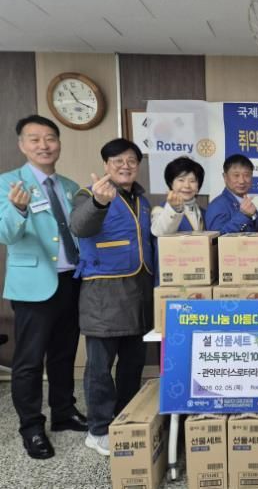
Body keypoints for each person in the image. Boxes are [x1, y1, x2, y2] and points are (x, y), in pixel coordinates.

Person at [0, 115, 87, 459]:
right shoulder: (9, 183)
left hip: (71, 281)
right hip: (34, 286)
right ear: (22, 145)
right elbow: (5, 235)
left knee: (64, 353)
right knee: (30, 360)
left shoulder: (68, 185)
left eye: (50, 138)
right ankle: (32, 427)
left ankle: (63, 412)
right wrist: (18, 210)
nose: (44, 145)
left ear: (59, 144)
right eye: (34, 139)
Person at [70, 138, 154, 457]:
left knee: (132, 363)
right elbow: (80, 226)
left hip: (138, 291)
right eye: (117, 160)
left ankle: (124, 418)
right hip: (104, 294)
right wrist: (98, 203)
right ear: (106, 165)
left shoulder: (142, 199)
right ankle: (98, 429)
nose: (125, 165)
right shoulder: (89, 194)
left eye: (131, 160)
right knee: (100, 368)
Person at [205, 154, 258, 233]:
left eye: (246, 175)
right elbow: (216, 237)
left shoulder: (246, 203)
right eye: (236, 175)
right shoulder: (217, 205)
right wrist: (243, 215)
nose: (241, 181)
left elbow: (257, 232)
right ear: (225, 177)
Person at [151, 156, 205, 235]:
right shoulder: (159, 210)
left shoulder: (204, 213)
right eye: (181, 180)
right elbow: (159, 232)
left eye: (192, 181)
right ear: (171, 183)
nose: (187, 185)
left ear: (198, 186)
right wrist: (175, 209)